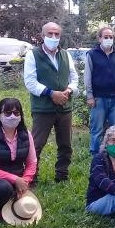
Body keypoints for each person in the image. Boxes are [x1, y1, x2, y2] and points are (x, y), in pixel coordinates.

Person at [23, 21, 78, 183]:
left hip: (65, 107)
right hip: (43, 108)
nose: (54, 37)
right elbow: (30, 82)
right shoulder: (33, 54)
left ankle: (62, 175)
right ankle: (31, 177)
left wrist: (68, 91)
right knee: (36, 145)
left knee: (65, 145)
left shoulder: (65, 55)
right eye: (50, 34)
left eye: (57, 34)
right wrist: (51, 93)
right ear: (43, 35)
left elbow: (74, 78)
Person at [85, 26, 115, 157]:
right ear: (99, 38)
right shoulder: (92, 54)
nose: (108, 39)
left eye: (111, 37)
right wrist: (90, 96)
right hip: (98, 98)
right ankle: (96, 155)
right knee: (96, 129)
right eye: (106, 37)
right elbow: (87, 76)